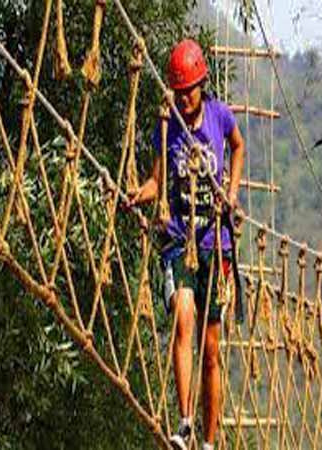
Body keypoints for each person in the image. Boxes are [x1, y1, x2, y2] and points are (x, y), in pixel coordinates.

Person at [128, 40, 245, 449]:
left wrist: (231, 192)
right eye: (179, 91)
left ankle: (209, 442)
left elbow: (238, 145)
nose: (185, 97)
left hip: (215, 242)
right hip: (180, 239)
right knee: (182, 314)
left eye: (190, 89)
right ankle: (184, 421)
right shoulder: (169, 124)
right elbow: (157, 180)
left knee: (211, 350)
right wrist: (135, 195)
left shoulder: (219, 114)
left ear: (202, 85)